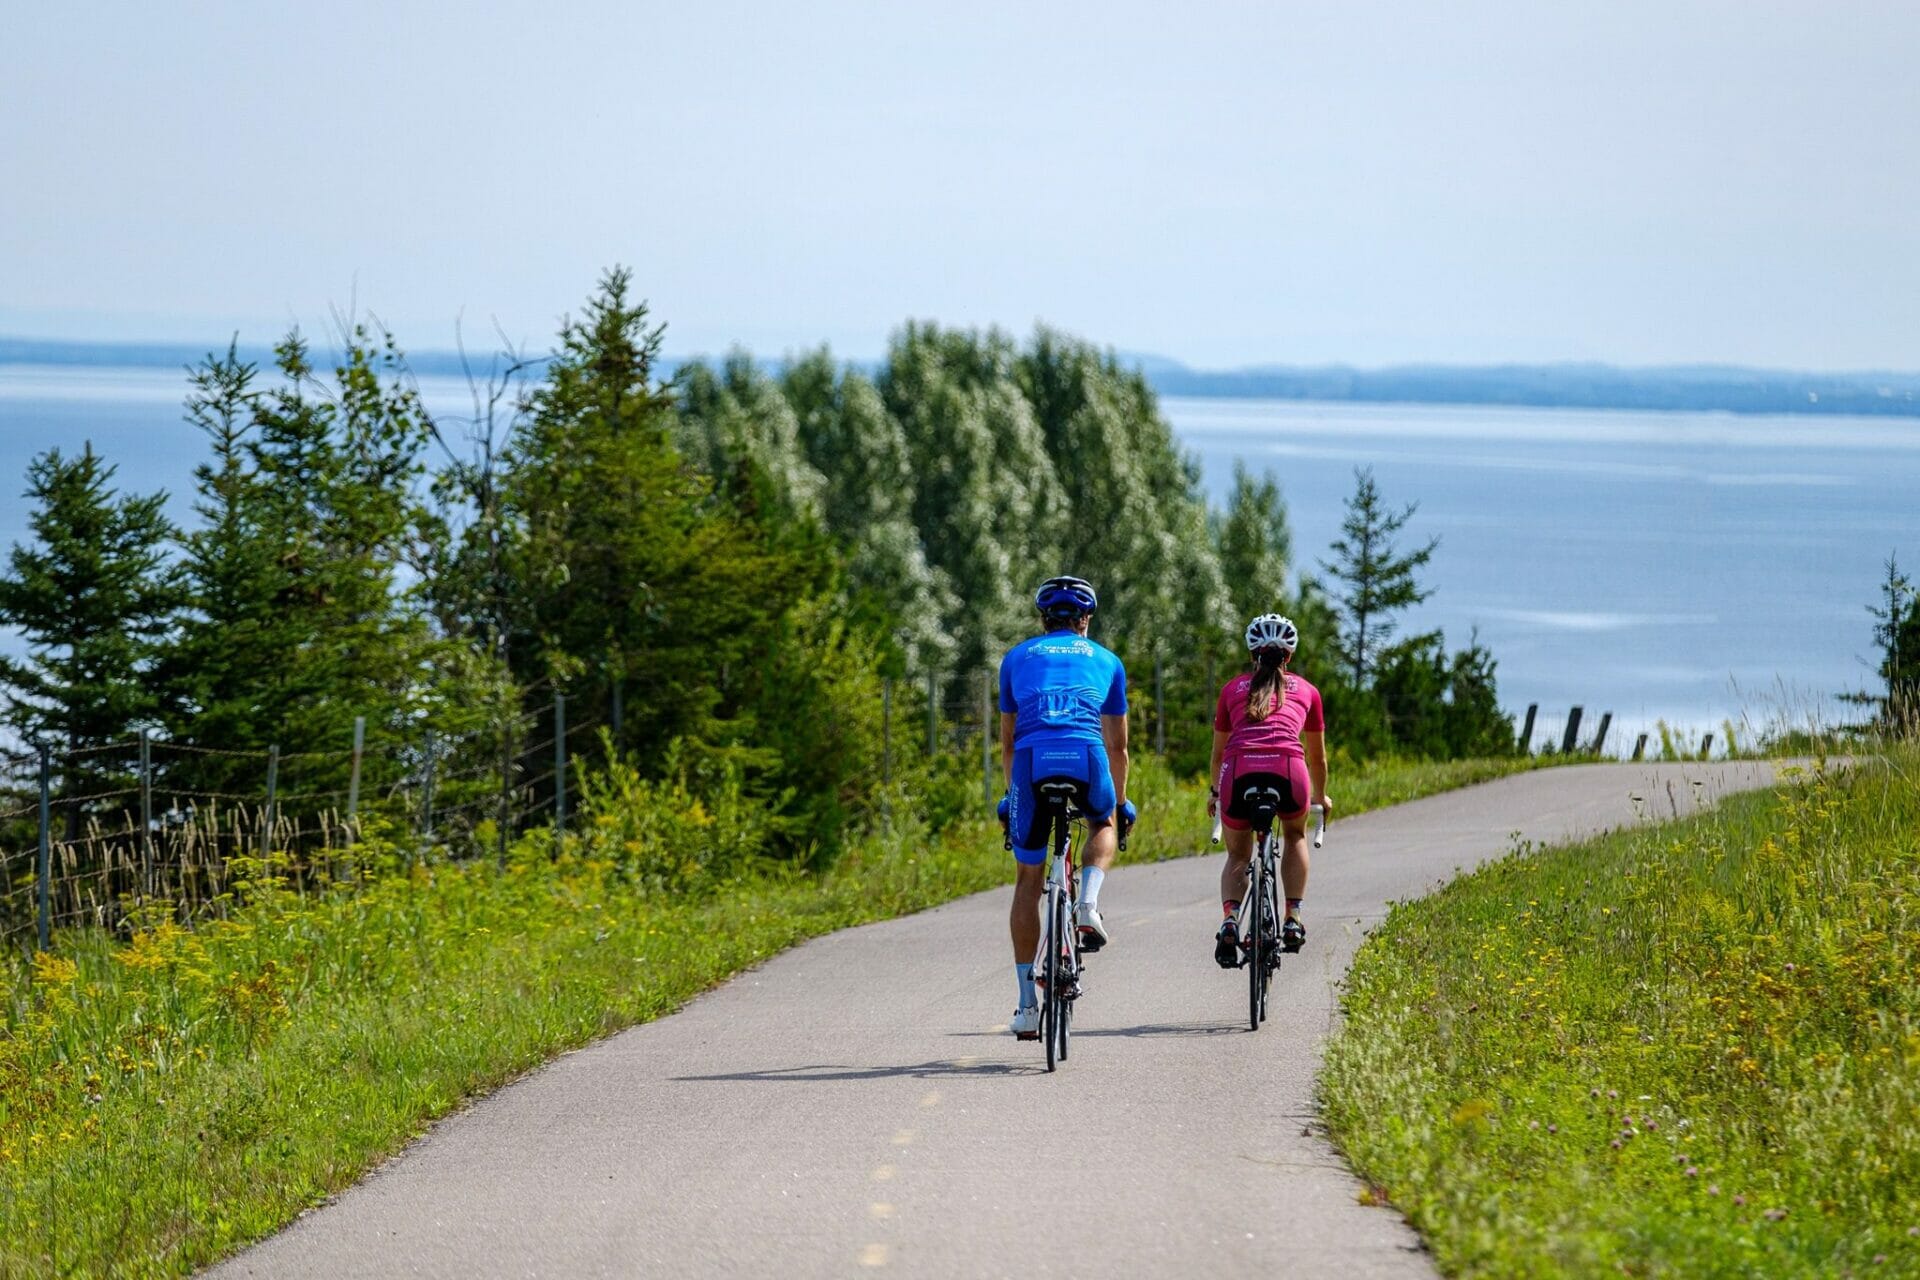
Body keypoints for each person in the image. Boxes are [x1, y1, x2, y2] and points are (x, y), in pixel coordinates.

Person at [995, 575, 1135, 1040]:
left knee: (1027, 880)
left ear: (1043, 620)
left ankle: (1025, 1004)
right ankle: (1088, 905)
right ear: (1085, 620)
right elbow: (1118, 747)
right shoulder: (1109, 661)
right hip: (1086, 754)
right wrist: (1118, 802)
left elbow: (1008, 741)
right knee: (1103, 821)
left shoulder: (1016, 658)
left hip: (1031, 763)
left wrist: (1011, 798)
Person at [1206, 613, 1330, 966]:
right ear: (1288, 657)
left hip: (1238, 771)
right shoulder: (1308, 691)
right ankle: (1292, 918)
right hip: (1289, 769)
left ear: (1252, 654)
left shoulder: (1232, 689)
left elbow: (1218, 755)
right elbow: (1318, 759)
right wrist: (1320, 797)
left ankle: (1230, 920)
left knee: (1238, 855)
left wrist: (1215, 792)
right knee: (1294, 836)